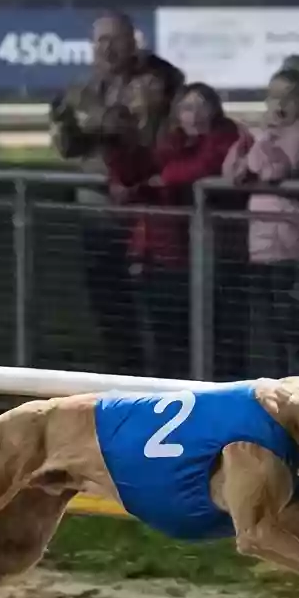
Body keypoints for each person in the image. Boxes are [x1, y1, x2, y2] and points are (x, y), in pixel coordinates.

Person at [52, 12, 186, 371]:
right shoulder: (92, 86)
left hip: (139, 219)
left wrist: (92, 114)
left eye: (115, 39)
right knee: (109, 310)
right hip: (96, 216)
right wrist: (66, 124)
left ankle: (159, 383)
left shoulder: (154, 82)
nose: (106, 48)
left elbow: (124, 129)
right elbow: (73, 148)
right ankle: (122, 377)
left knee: (155, 313)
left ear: (133, 43)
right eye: (100, 40)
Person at [106, 80, 239, 376]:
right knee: (169, 341)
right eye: (188, 107)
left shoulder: (225, 136)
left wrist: (163, 179)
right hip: (167, 259)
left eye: (202, 107)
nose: (195, 115)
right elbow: (143, 170)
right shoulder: (173, 143)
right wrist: (118, 160)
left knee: (217, 340)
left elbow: (202, 168)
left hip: (212, 258)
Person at [219, 64, 299, 376]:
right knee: (269, 329)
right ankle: (276, 391)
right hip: (263, 246)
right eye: (273, 97)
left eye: (288, 98)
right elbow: (238, 172)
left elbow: (274, 170)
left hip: (293, 247)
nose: (279, 105)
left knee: (293, 326)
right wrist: (248, 146)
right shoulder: (271, 134)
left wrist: (262, 140)